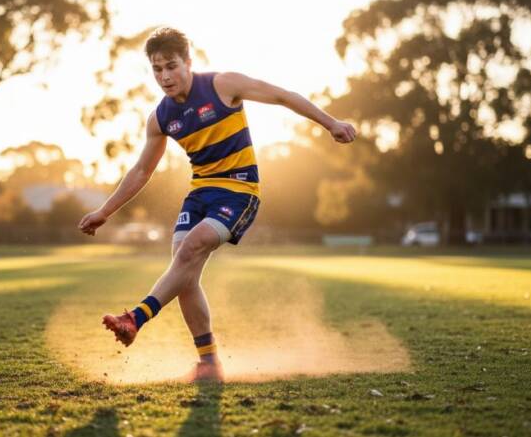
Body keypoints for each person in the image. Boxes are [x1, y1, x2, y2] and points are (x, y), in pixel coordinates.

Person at [78, 27, 356, 382]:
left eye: (172, 66)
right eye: (157, 69)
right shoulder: (160, 118)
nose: (165, 76)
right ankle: (209, 363)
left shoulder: (224, 85)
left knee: (190, 250)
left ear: (189, 62)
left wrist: (330, 123)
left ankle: (136, 318)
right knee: (184, 270)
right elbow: (141, 170)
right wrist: (104, 212)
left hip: (240, 190)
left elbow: (283, 96)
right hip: (200, 192)